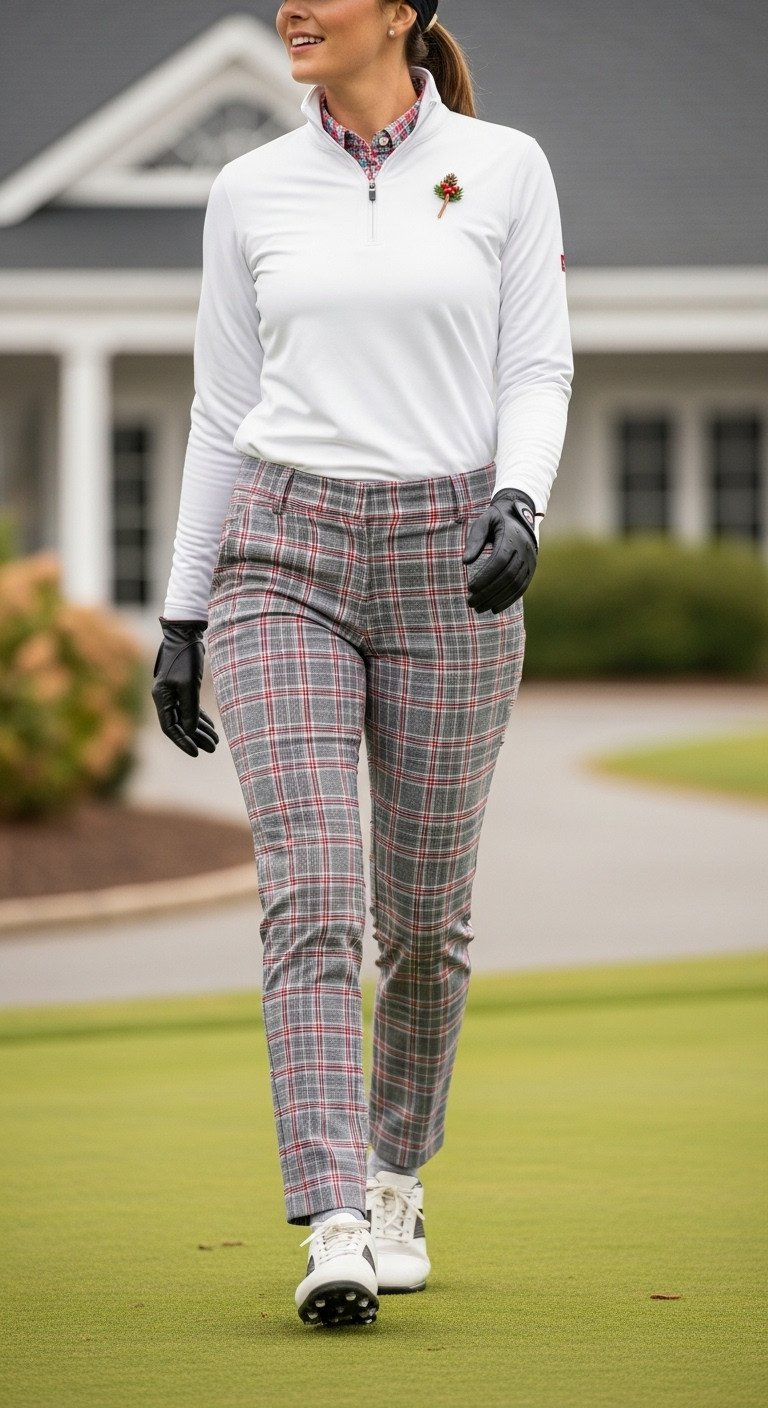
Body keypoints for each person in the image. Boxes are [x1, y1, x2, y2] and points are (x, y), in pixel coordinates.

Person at [151, 0, 573, 1329]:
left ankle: (396, 1179)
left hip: (454, 554)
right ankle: (333, 1214)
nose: (292, 8)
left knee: (424, 922)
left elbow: (536, 364)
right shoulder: (248, 187)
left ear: (402, 11)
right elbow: (223, 406)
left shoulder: (504, 168)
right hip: (282, 554)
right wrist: (183, 613)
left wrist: (520, 502)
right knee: (315, 894)